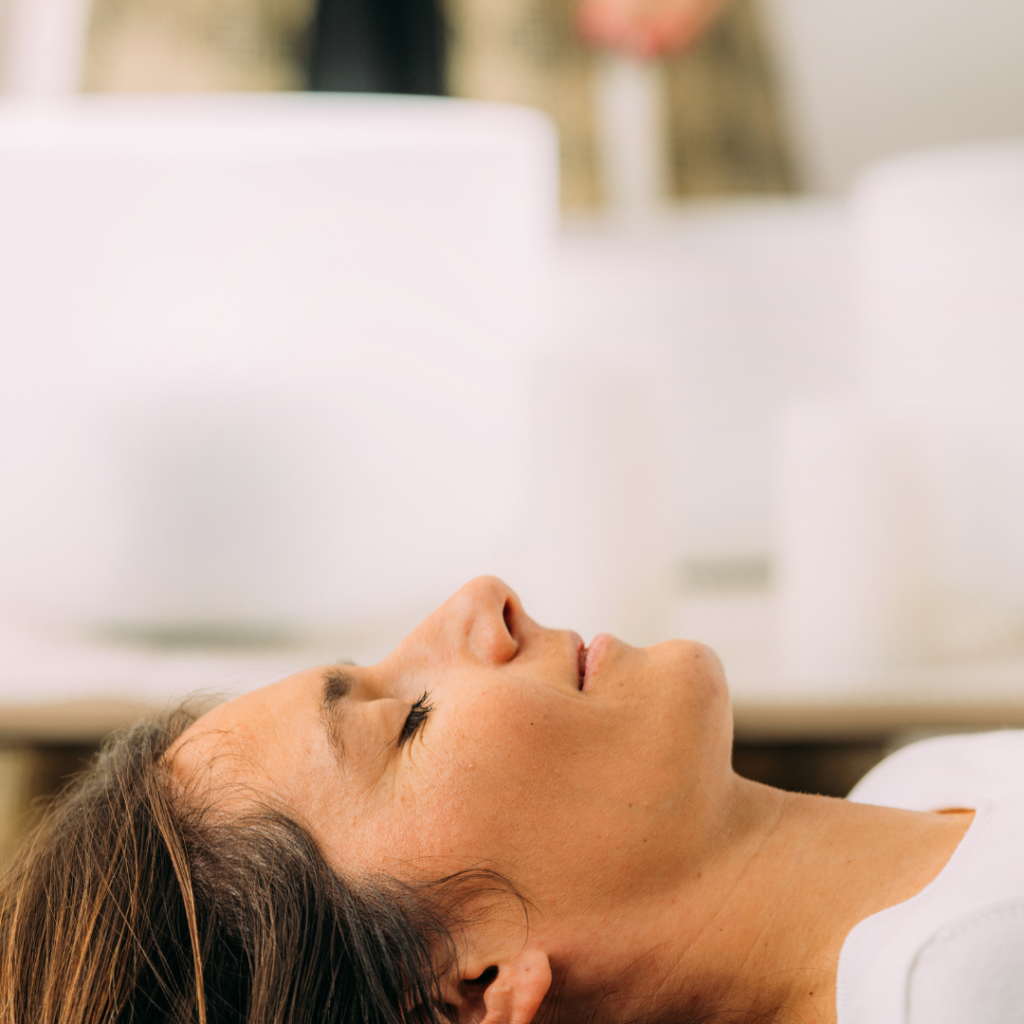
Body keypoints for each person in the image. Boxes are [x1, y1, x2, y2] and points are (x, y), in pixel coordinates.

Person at [1, 576, 1020, 1024]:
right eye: (403, 719)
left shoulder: (916, 799)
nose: (480, 600)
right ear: (470, 990)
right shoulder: (971, 974)